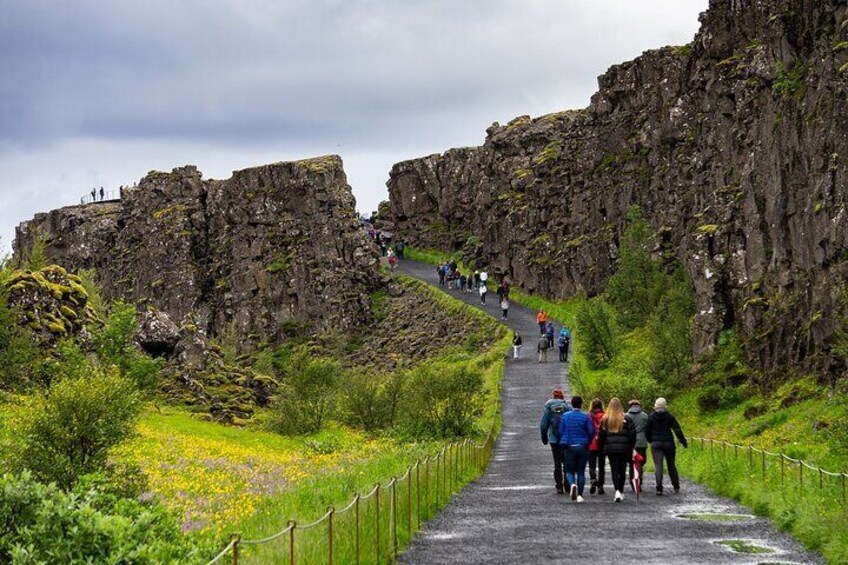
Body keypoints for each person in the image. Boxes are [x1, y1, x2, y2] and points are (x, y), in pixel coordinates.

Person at [645, 397, 688, 495]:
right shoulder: (670, 416)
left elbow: (646, 431)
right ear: (665, 406)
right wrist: (683, 441)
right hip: (668, 442)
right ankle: (676, 486)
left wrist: (651, 441)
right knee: (671, 465)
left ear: (655, 407)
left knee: (658, 466)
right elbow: (677, 430)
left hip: (656, 443)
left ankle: (659, 488)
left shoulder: (651, 417)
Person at [598, 397, 636, 502]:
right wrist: (631, 446)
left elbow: (601, 435)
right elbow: (632, 434)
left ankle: (617, 491)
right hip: (624, 448)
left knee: (614, 470)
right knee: (622, 470)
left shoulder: (605, 419)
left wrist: (601, 448)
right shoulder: (626, 418)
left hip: (611, 449)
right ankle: (621, 490)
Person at [558, 395, 595, 502]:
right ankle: (580, 495)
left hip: (569, 446)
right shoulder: (585, 417)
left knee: (569, 471)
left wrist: (564, 440)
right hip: (583, 446)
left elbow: (560, 432)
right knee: (581, 471)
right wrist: (588, 441)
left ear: (572, 404)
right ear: (581, 404)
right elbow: (591, 431)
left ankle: (572, 484)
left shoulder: (565, 416)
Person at [540, 389, 571, 494]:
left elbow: (544, 425)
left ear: (553, 397)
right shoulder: (567, 407)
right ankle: (567, 484)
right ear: (562, 397)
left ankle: (559, 486)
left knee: (557, 463)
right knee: (566, 462)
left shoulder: (549, 407)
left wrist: (544, 438)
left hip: (554, 439)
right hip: (566, 440)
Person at [627, 399, 650, 491]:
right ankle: (639, 479)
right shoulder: (644, 416)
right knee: (640, 462)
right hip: (641, 442)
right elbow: (648, 428)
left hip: (630, 442)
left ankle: (632, 480)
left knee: (631, 463)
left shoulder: (626, 416)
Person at [587, 398, 606, 495]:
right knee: (601, 466)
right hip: (602, 443)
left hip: (591, 443)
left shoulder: (589, 416)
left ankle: (593, 479)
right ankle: (601, 486)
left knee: (592, 465)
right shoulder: (604, 416)